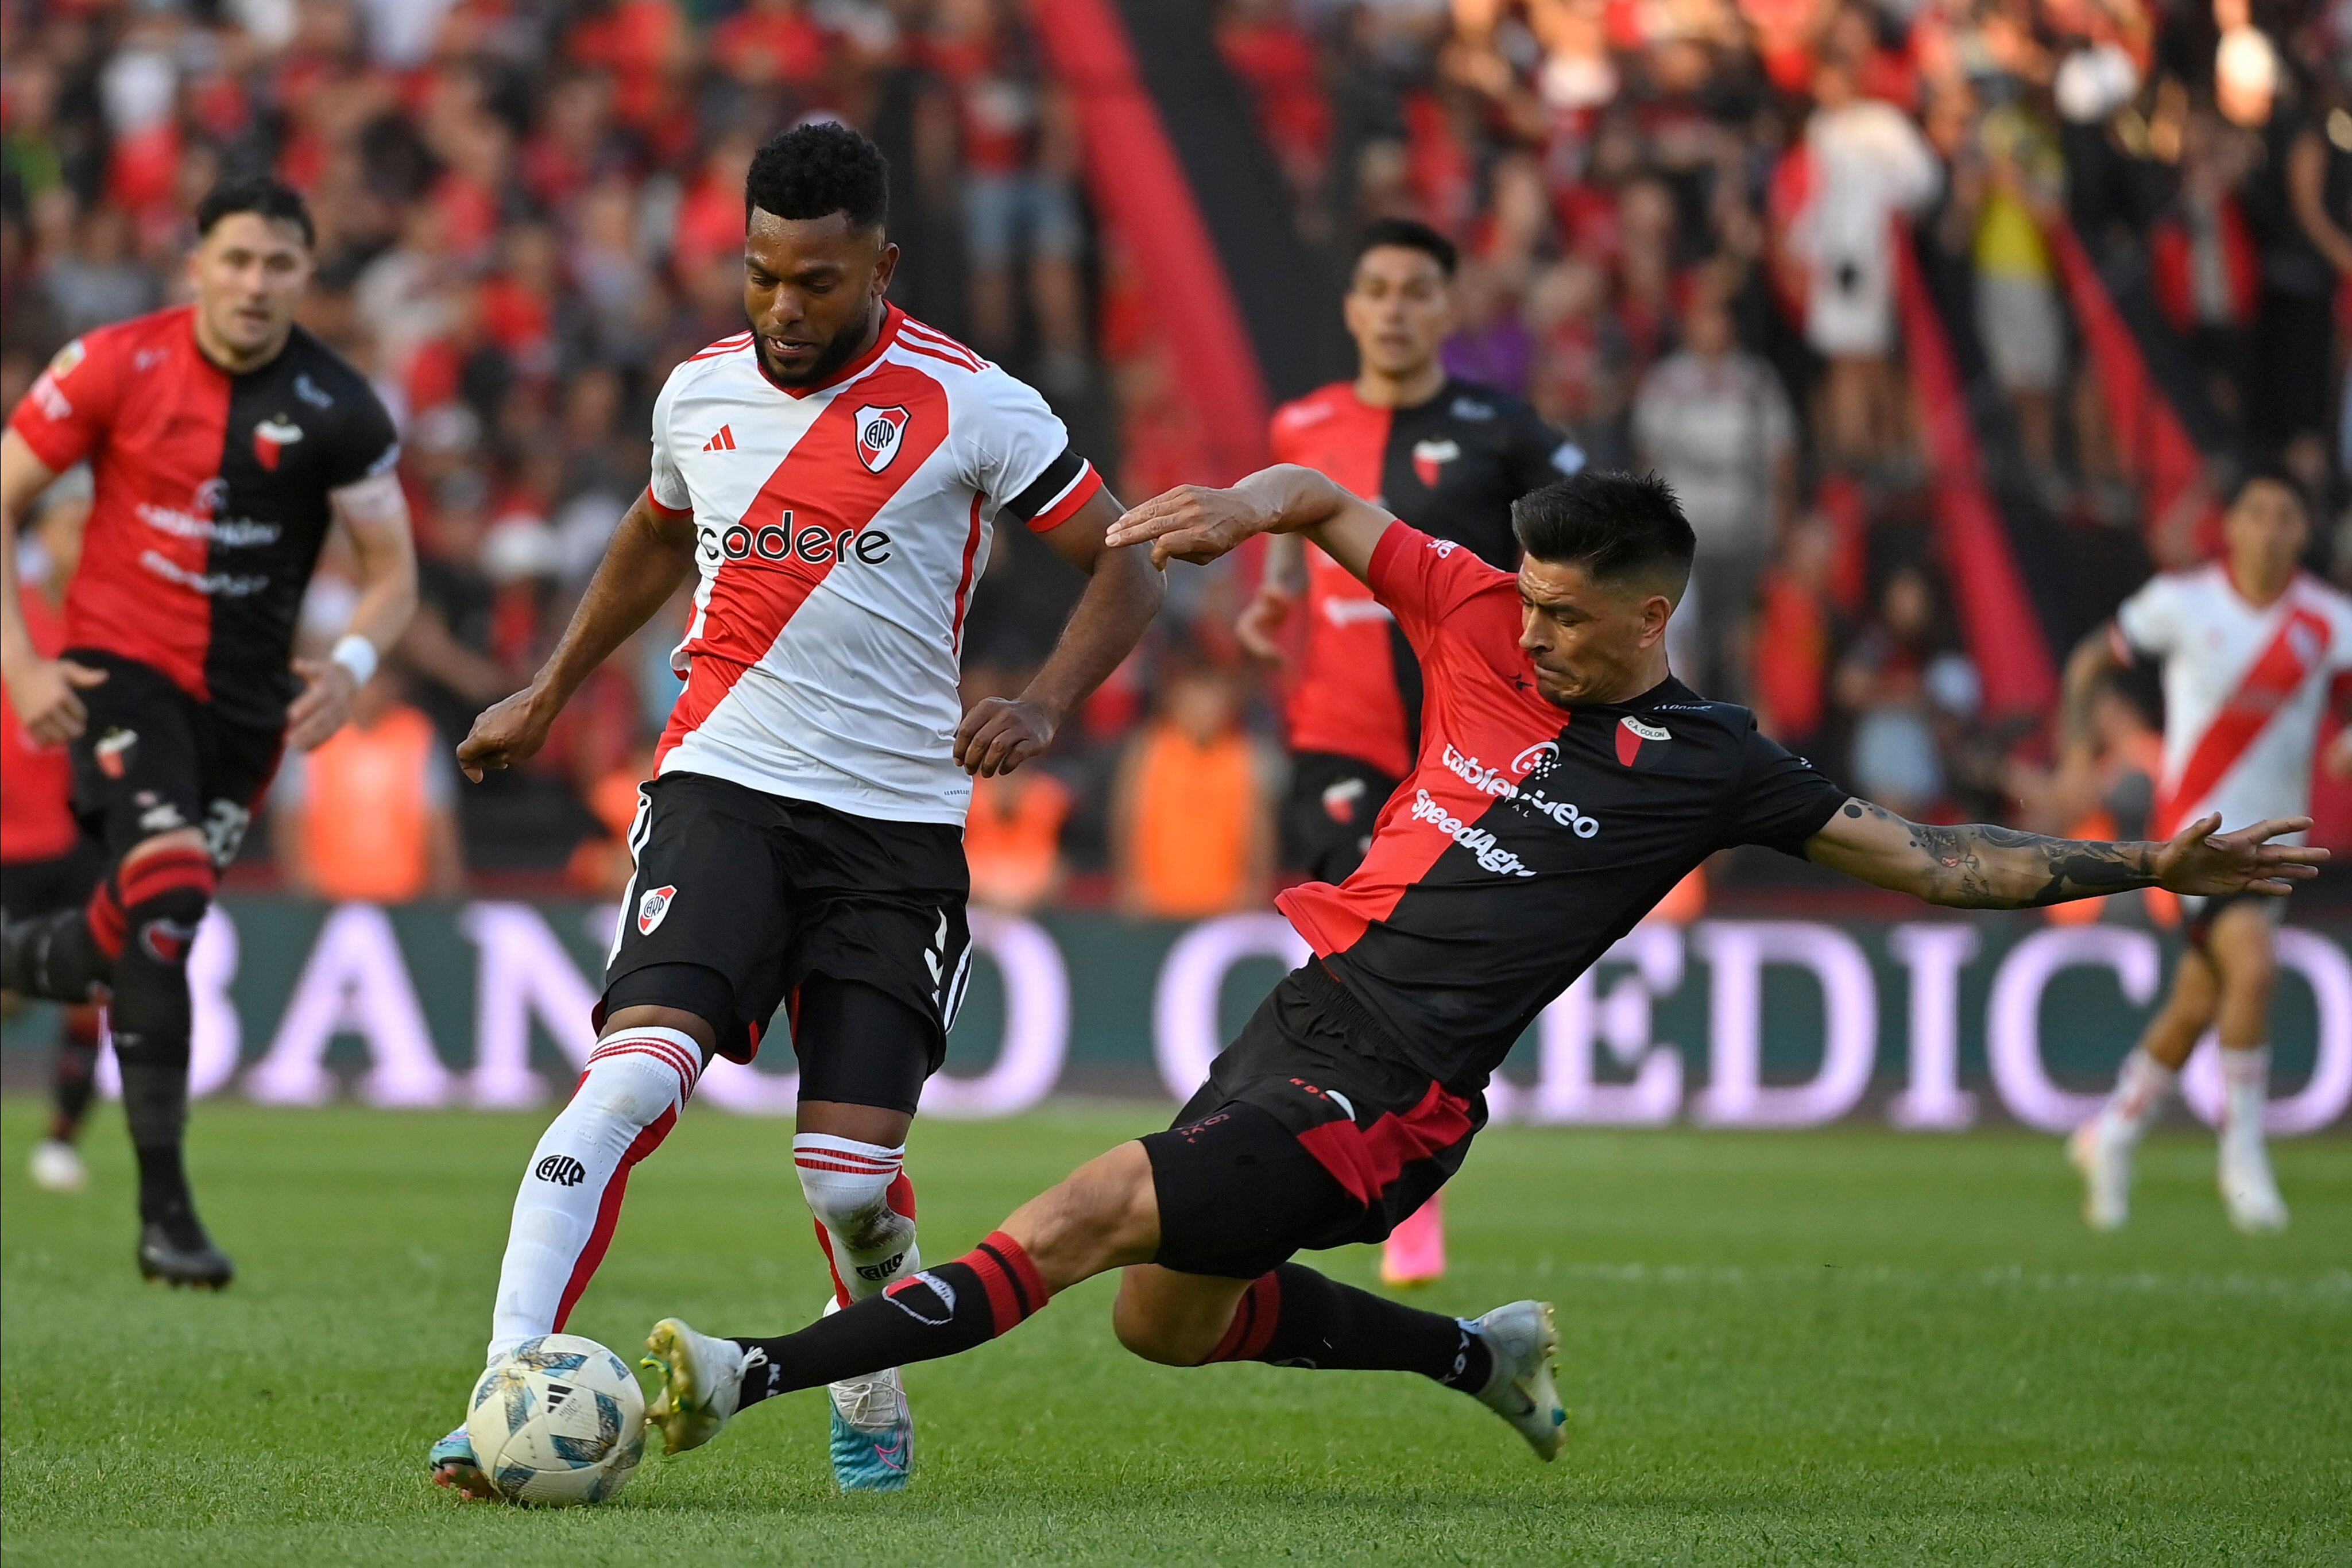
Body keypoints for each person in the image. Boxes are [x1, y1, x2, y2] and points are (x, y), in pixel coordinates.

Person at [634, 466, 2319, 1474]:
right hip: (1298, 1015)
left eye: (1569, 619)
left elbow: (1940, 861)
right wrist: (1247, 510)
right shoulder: (1475, 606)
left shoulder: (1712, 761)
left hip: (1396, 1093)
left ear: (1652, 619)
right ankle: (1482, 1356)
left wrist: (2141, 861)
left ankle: (749, 1373)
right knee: (1161, 1325)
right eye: (1524, 601)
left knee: (1078, 1218)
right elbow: (1332, 505)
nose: (1529, 633)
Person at [427, 123, 1159, 1499]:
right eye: (761, 276)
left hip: (893, 832)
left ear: (880, 264)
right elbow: (653, 534)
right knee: (624, 1086)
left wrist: (1048, 700)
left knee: (848, 1185)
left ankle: (865, 1373)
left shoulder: (976, 404)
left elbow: (1121, 561)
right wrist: (546, 689)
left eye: (816, 282)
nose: (782, 309)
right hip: (722, 790)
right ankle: (504, 1388)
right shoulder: (697, 392)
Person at [0, 176, 417, 1287]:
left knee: (136, 934)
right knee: (172, 892)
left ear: (304, 276)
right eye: (234, 259)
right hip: (120, 678)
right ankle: (167, 1215)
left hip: (246, 715)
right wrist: (23, 661)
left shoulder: (342, 408)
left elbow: (394, 577)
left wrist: (355, 663)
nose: (253, 283)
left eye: (278, 264)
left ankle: (12, 957)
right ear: (196, 265)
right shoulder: (109, 365)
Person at [1233, 217, 1580, 1286]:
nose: (1393, 309)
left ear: (1447, 308)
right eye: (1375, 289)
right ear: (1351, 307)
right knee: (1348, 959)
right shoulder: (1303, 422)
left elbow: (1578, 554)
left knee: (1438, 973)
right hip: (1336, 728)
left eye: (1415, 291)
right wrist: (1271, 610)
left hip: (1467, 748)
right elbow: (1289, 556)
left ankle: (1411, 1191)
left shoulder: (1502, 431)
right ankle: (1306, 1165)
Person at [2062, 470, 2352, 1233]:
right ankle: (2245, 1155)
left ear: (2301, 530)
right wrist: (2071, 756)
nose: (2269, 528)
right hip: (2196, 841)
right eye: (2256, 513)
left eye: (2285, 516)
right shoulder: (2183, 603)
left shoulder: (2329, 619)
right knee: (2252, 965)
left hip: (2277, 845)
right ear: (2233, 525)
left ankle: (2114, 1131)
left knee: (2200, 998)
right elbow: (2090, 660)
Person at [2, 472, 105, 1194]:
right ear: (43, 536)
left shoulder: (112, 630)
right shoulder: (17, 624)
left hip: (82, 839)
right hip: (9, 843)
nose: (89, 540)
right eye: (77, 525)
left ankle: (63, 1140)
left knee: (94, 988)